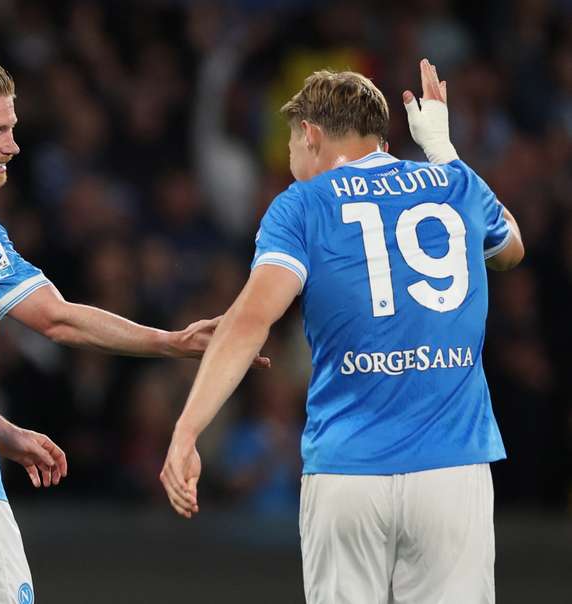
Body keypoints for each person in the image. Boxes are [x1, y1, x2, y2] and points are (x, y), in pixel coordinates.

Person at [0, 56, 266, 604]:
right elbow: (57, 318)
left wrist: (1, 431)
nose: (12, 146)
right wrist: (173, 341)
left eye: (13, 129)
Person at [160, 59, 524, 604]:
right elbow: (512, 248)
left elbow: (250, 322)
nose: (289, 161)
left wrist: (187, 431)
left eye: (289, 145)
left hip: (348, 471)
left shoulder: (302, 205)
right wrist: (444, 150)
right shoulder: (454, 184)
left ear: (310, 134)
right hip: (452, 468)